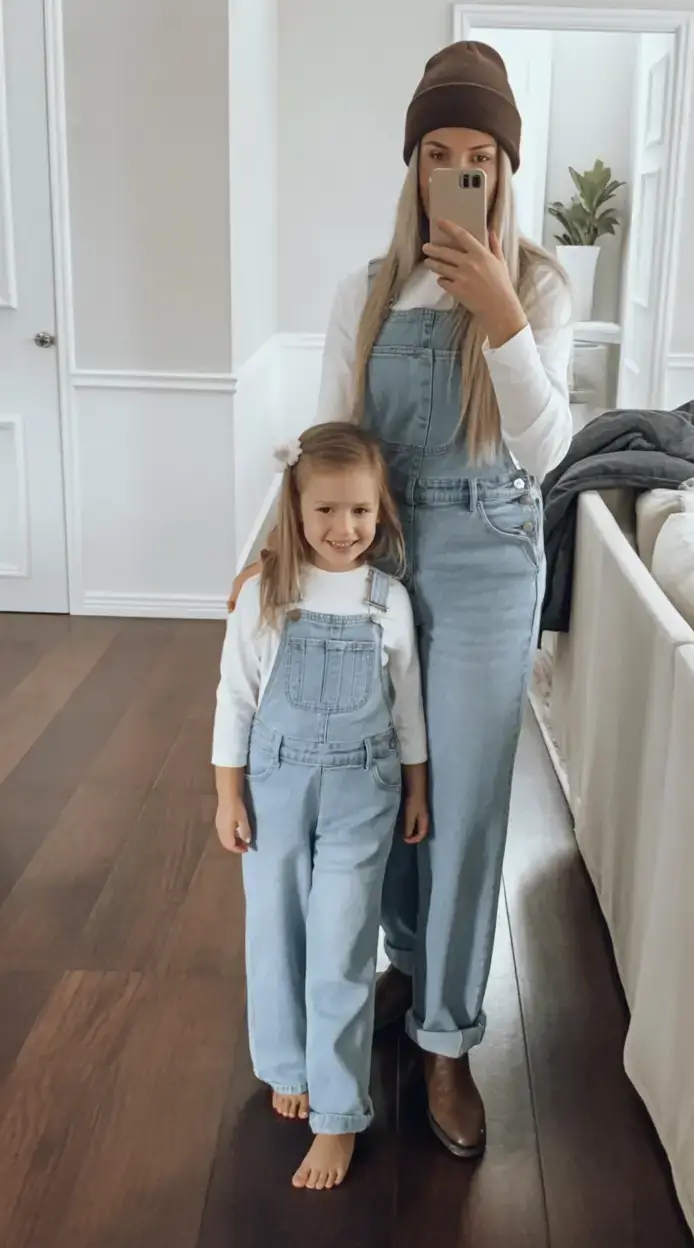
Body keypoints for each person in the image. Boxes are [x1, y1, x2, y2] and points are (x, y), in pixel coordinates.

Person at [229, 41, 572, 1159]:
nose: (459, 170)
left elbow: (549, 451)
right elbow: (329, 448)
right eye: (439, 153)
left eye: (481, 155)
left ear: (505, 169)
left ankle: (447, 1039)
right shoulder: (363, 291)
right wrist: (263, 551)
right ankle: (403, 969)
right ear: (412, 166)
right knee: (379, 783)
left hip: (487, 558)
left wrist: (502, 320)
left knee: (465, 805)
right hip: (371, 552)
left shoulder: (541, 285)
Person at [213, 422, 429, 1191]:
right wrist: (227, 793)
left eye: (362, 513)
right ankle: (285, 1063)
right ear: (295, 512)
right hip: (274, 781)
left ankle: (338, 1114)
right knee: (275, 927)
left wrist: (417, 786)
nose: (345, 530)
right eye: (326, 512)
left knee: (342, 942)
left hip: (362, 791)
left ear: (382, 512)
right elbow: (235, 696)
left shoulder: (388, 600)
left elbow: (408, 706)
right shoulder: (267, 593)